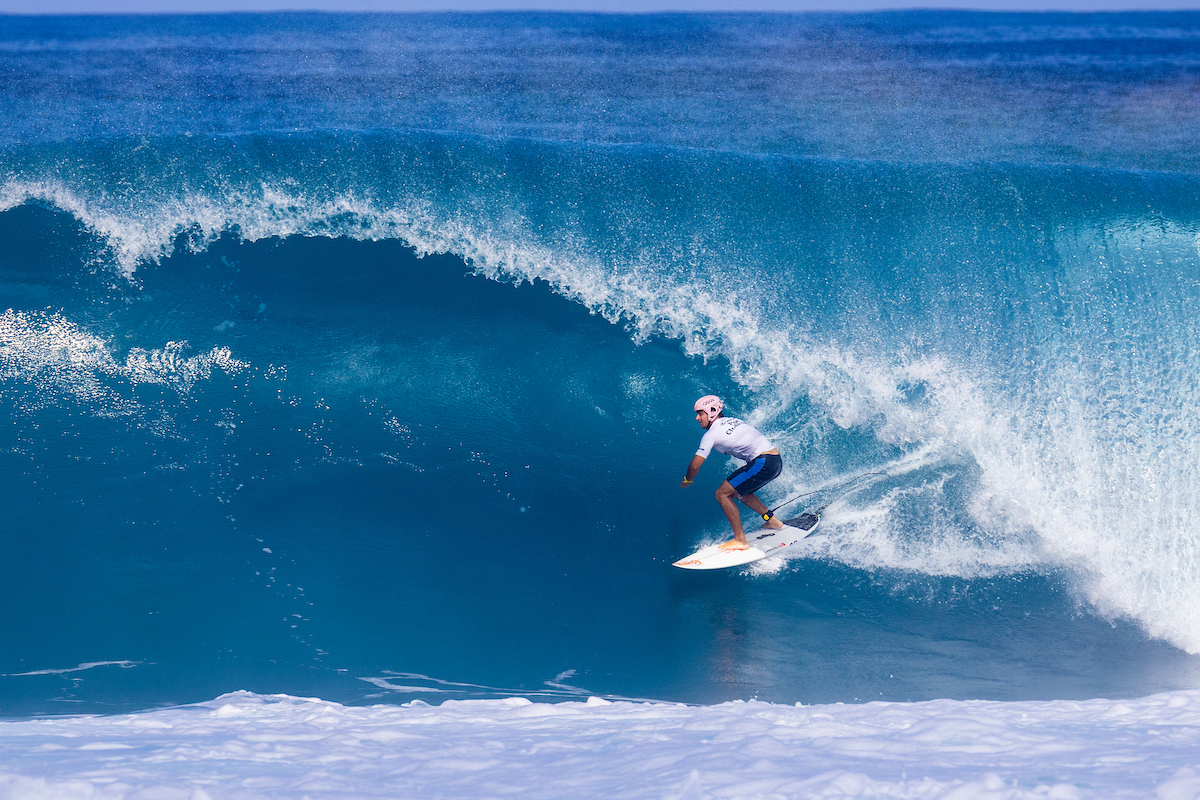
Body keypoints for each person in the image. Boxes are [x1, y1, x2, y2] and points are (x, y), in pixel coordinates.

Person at [680, 394, 784, 551]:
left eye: (700, 413)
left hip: (762, 461)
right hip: (775, 461)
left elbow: (695, 465)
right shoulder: (734, 421)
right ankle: (772, 520)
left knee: (722, 494)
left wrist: (687, 479)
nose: (697, 418)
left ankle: (740, 540)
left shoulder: (712, 433)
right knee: (739, 491)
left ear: (712, 411)